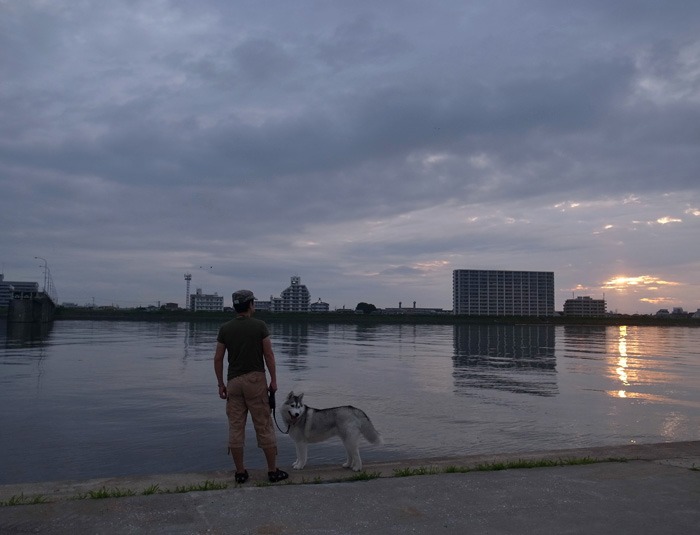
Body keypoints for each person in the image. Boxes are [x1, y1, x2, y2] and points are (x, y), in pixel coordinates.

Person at [214, 289, 288, 484]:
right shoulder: (260, 326)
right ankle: (272, 471)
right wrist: (273, 380)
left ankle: (240, 472)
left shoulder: (225, 328)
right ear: (250, 305)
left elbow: (218, 358)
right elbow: (269, 355)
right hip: (256, 381)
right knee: (263, 424)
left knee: (236, 427)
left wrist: (221, 383)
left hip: (234, 382)